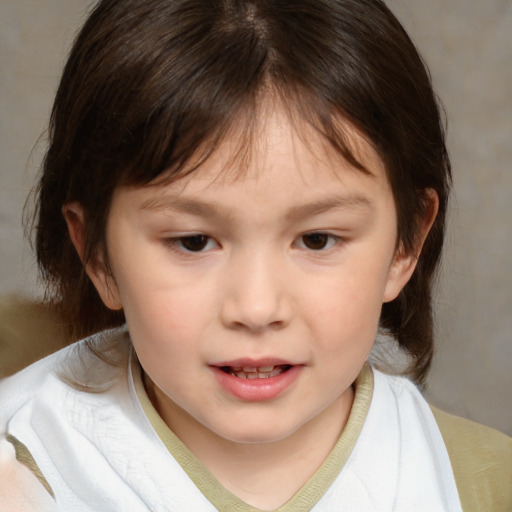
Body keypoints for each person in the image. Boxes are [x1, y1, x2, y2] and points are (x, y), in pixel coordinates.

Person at [0, 0, 510, 510]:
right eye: (193, 242)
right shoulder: (27, 463)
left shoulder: (480, 483)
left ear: (406, 244)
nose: (257, 308)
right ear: (99, 255)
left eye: (317, 240)